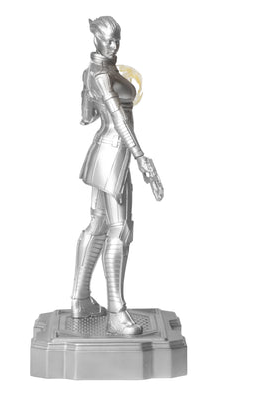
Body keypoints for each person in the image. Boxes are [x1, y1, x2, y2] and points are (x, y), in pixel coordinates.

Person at [71, 16, 163, 335]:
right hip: (115, 154)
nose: (113, 45)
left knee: (98, 224)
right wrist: (140, 156)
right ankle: (115, 312)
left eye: (117, 39)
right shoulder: (101, 74)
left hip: (103, 151)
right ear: (96, 38)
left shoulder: (96, 72)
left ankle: (81, 300)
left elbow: (86, 116)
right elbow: (118, 119)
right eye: (108, 39)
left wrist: (89, 98)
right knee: (119, 230)